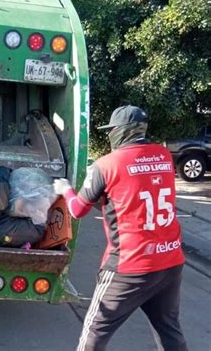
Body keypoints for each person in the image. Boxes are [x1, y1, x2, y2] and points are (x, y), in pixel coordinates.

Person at [53, 105, 188, 351]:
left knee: (94, 331)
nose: (109, 135)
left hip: (129, 266)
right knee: (169, 330)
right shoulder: (164, 155)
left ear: (121, 132)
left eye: (112, 130)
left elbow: (78, 210)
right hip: (170, 261)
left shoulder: (106, 165)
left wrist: (65, 191)